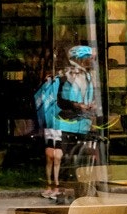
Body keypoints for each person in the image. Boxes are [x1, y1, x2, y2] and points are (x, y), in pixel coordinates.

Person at [40, 44, 102, 200]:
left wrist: (90, 105)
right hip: (62, 122)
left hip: (81, 122)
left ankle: (68, 186)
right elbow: (60, 99)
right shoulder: (65, 75)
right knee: (56, 156)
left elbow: (88, 96)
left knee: (75, 155)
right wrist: (77, 105)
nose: (91, 60)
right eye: (88, 57)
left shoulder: (87, 76)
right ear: (78, 59)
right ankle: (53, 186)